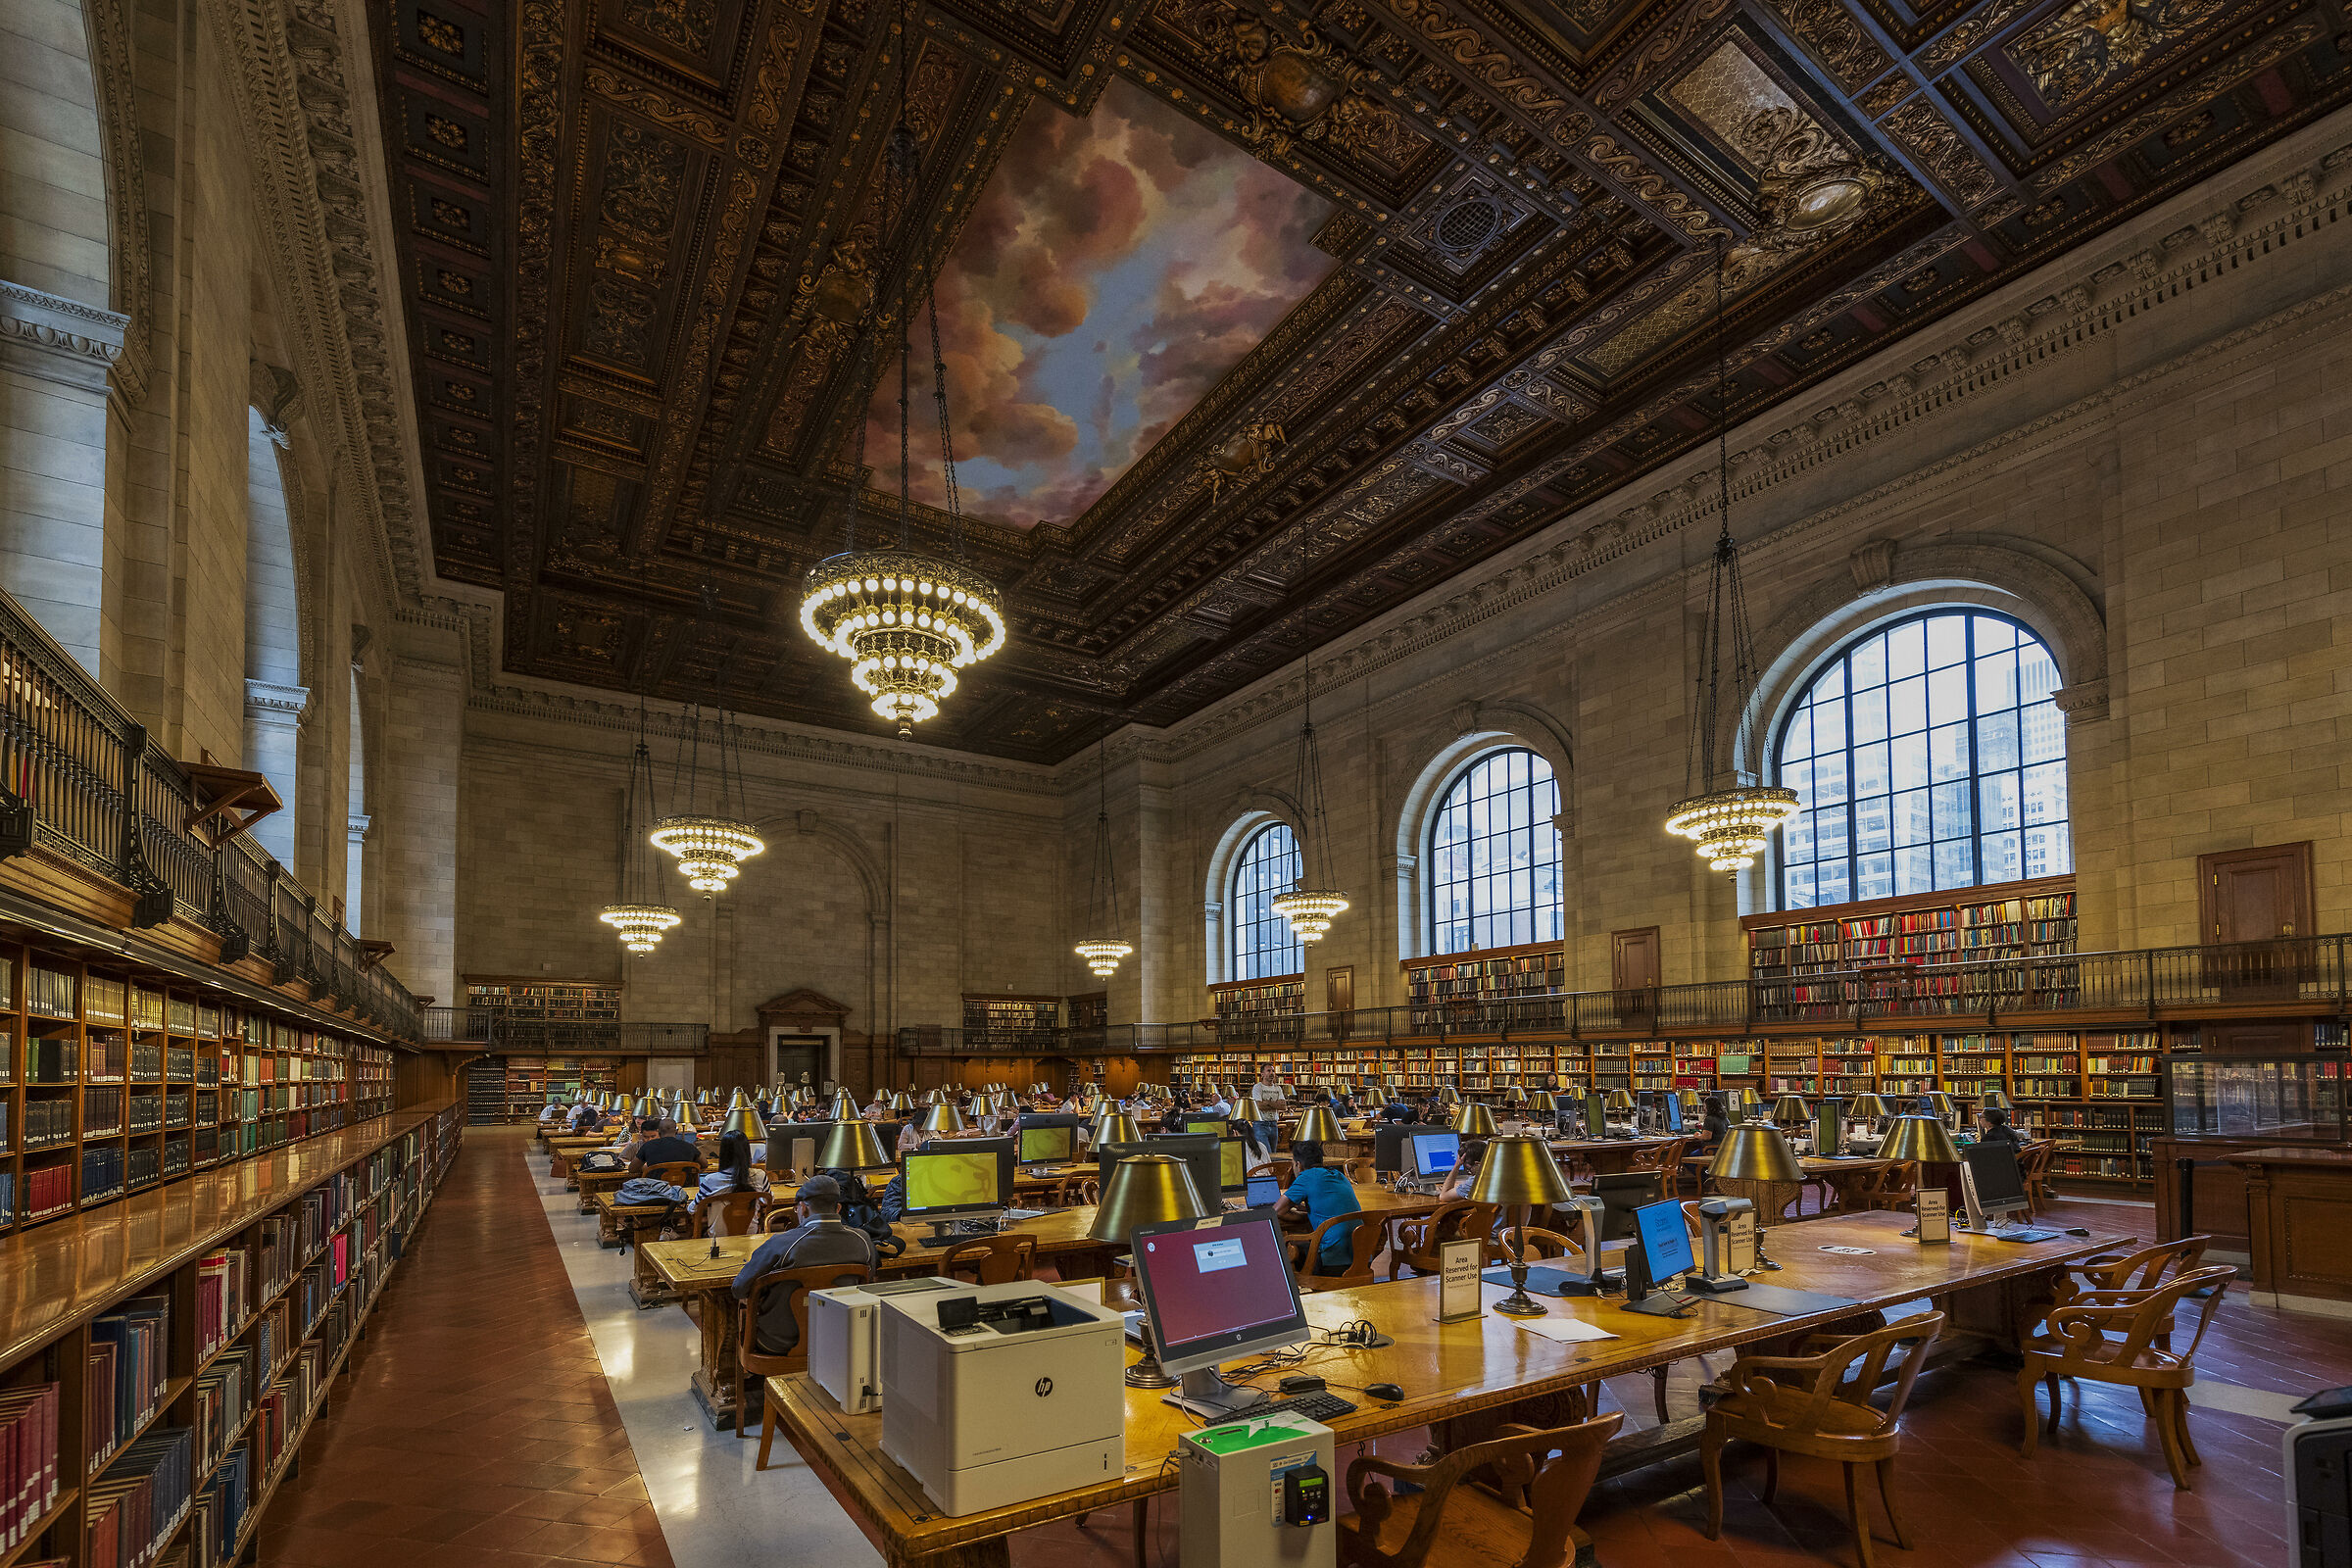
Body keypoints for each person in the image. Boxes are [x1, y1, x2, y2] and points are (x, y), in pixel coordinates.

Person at [728, 1175, 876, 1355]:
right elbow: (869, 1279)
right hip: (842, 1338)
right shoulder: (863, 1241)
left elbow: (739, 1289)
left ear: (803, 1208)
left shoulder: (780, 1244)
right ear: (837, 1208)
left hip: (779, 1343)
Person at [1276, 1142, 1360, 1275]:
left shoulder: (1306, 1177)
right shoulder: (1340, 1176)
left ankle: (1298, 1292)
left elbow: (1277, 1210)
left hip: (1333, 1260)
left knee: (1287, 1248)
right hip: (1361, 1257)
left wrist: (1304, 1217)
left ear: (1298, 1165)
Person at [688, 1130, 759, 1224]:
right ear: (747, 1151)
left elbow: (692, 1209)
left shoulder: (710, 1180)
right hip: (752, 1234)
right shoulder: (759, 1175)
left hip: (717, 1236)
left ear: (722, 1152)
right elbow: (768, 1200)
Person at [630, 1117, 702, 1174]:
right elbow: (704, 1164)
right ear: (676, 1132)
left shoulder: (648, 1146)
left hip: (656, 1190)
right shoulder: (689, 1146)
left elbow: (632, 1169)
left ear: (659, 1131)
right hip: (684, 1190)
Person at [1249, 1066, 1287, 1160]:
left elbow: (1283, 1106)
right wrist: (1275, 1103)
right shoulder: (1258, 1087)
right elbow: (1258, 1105)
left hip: (1274, 1123)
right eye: (1268, 1071)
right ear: (1262, 1074)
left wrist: (1267, 1102)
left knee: (1273, 1154)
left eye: (1273, 1071)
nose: (1272, 1073)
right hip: (1260, 1124)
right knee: (1266, 1154)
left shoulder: (1278, 1088)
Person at [1438, 1138, 1489, 1202]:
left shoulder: (1475, 1182)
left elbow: (1443, 1196)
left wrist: (1457, 1165)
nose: (1469, 1172)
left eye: (1469, 1169)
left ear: (1478, 1164)